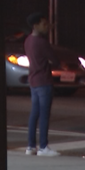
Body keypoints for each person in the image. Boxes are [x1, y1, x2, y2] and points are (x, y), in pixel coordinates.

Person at [24, 12, 60, 156]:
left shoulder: (28, 41)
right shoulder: (42, 42)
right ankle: (43, 146)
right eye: (44, 24)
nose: (46, 27)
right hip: (44, 81)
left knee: (34, 113)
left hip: (33, 80)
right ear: (35, 25)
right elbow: (55, 60)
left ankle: (30, 146)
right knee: (44, 114)